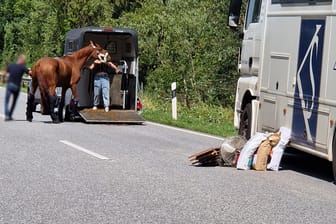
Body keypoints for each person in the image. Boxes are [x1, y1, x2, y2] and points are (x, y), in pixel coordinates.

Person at [4, 54, 31, 121]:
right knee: (14, 102)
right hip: (17, 87)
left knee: (7, 101)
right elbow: (30, 73)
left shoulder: (11, 65)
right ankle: (9, 115)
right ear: (22, 60)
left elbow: (4, 73)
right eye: (24, 60)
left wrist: (3, 79)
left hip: (10, 85)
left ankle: (7, 115)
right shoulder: (23, 67)